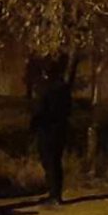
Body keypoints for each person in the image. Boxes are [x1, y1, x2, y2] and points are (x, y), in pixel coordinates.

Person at [31, 64, 72, 206]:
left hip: (47, 129)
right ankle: (56, 194)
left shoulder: (45, 88)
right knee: (56, 161)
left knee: (49, 162)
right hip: (60, 129)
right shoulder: (64, 88)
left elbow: (40, 110)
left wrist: (34, 125)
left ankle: (53, 195)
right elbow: (68, 109)